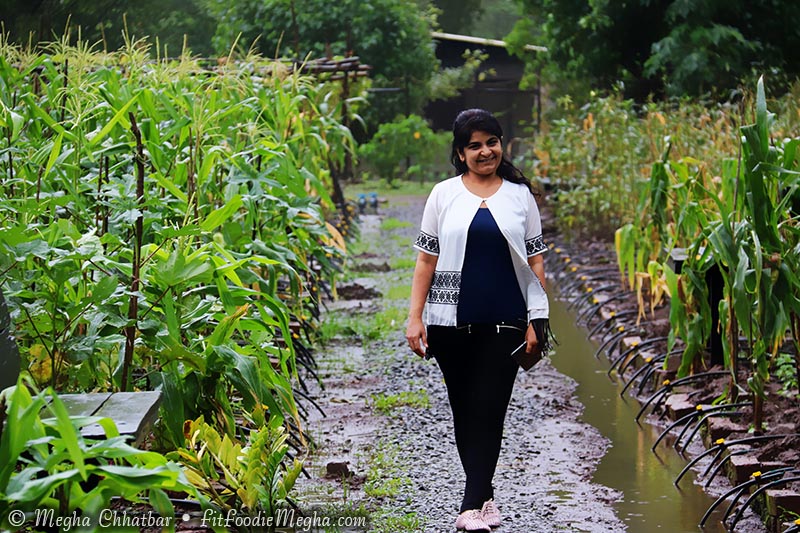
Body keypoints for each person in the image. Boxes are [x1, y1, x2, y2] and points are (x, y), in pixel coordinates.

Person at [405, 108, 553, 532]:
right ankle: (485, 499)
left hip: (507, 320)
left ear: (501, 145)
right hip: (449, 321)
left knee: (490, 409)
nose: (485, 151)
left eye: (492, 142)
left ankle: (469, 507)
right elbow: (426, 260)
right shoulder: (443, 194)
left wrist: (538, 319)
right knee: (465, 411)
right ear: (460, 153)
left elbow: (536, 261)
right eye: (475, 145)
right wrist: (415, 317)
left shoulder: (521, 196)